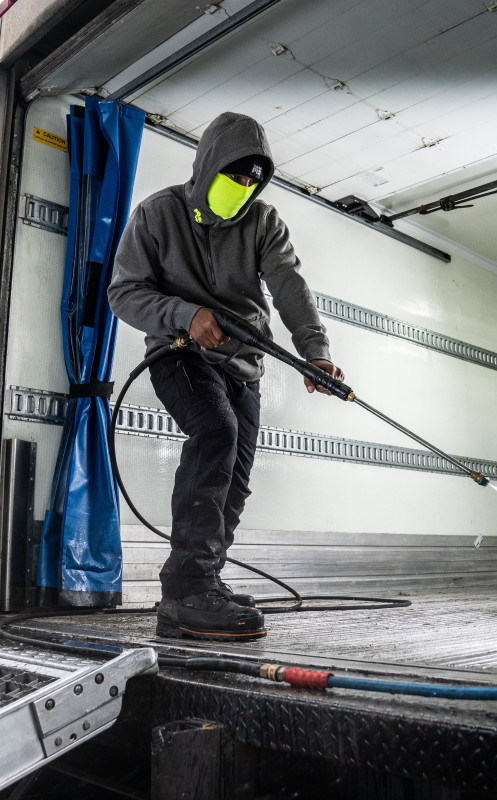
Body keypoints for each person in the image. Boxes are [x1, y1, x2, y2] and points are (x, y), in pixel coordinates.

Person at [108, 112, 343, 641]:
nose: (243, 187)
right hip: (179, 353)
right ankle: (186, 588)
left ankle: (206, 580)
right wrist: (185, 314)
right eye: (234, 174)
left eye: (252, 181)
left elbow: (289, 284)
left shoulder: (263, 222)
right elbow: (123, 292)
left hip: (243, 364)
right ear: (209, 164)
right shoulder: (158, 214)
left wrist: (316, 353)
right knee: (216, 431)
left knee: (235, 475)